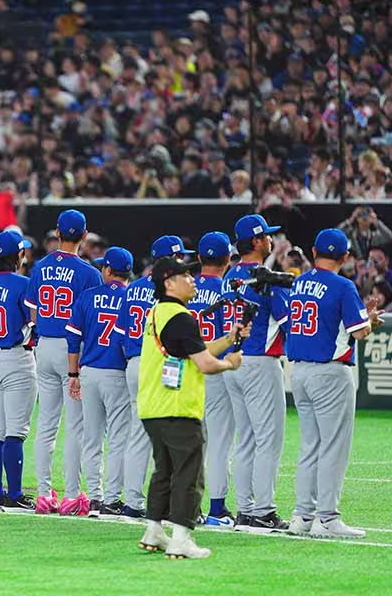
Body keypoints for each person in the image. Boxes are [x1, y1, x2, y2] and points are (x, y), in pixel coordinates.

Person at [137, 256, 244, 560]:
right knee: (189, 473)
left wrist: (228, 340)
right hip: (178, 407)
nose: (193, 280)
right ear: (169, 283)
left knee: (165, 471)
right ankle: (181, 538)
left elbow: (194, 349)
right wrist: (230, 363)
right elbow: (205, 364)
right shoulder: (181, 318)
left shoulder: (158, 312)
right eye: (186, 276)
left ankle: (154, 531)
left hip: (153, 406)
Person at [286, 228, 383, 539]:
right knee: (333, 447)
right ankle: (326, 518)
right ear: (345, 257)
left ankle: (303, 516)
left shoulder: (299, 282)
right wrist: (370, 321)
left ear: (314, 252)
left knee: (310, 446)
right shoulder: (343, 285)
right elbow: (359, 332)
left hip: (299, 371)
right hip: (329, 371)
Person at [25, 210, 102, 516]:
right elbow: (92, 320)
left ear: (57, 233)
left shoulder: (41, 266)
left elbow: (32, 312)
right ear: (84, 235)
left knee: (46, 425)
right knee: (75, 426)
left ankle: (44, 494)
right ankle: (71, 495)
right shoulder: (89, 273)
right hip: (73, 350)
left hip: (44, 344)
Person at [223, 214, 290, 532]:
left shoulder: (231, 275)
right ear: (255, 241)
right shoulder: (265, 279)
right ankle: (263, 511)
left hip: (233, 361)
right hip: (260, 361)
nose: (271, 240)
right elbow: (289, 321)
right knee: (268, 440)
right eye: (266, 235)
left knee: (247, 439)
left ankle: (246, 510)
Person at [121, 236, 193, 518]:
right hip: (160, 363)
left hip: (133, 363)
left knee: (138, 434)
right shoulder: (172, 291)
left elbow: (120, 333)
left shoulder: (132, 289)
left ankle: (133, 502)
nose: (184, 261)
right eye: (180, 257)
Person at [67, 247, 134, 518]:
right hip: (118, 373)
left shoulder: (88, 296)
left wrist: (73, 375)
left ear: (107, 270)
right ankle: (112, 499)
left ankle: (95, 498)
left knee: (92, 438)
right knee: (119, 439)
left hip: (90, 372)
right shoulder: (131, 297)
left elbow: (73, 338)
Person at [0, 230, 37, 512]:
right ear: (19, 255)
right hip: (17, 357)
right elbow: (34, 321)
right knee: (15, 431)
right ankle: (14, 494)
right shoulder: (23, 284)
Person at [188, 231, 236, 526]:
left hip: (186, 370)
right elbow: (230, 335)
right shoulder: (226, 290)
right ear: (228, 258)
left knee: (191, 443)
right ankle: (217, 509)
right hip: (214, 369)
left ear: (198, 258)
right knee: (219, 442)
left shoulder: (186, 287)